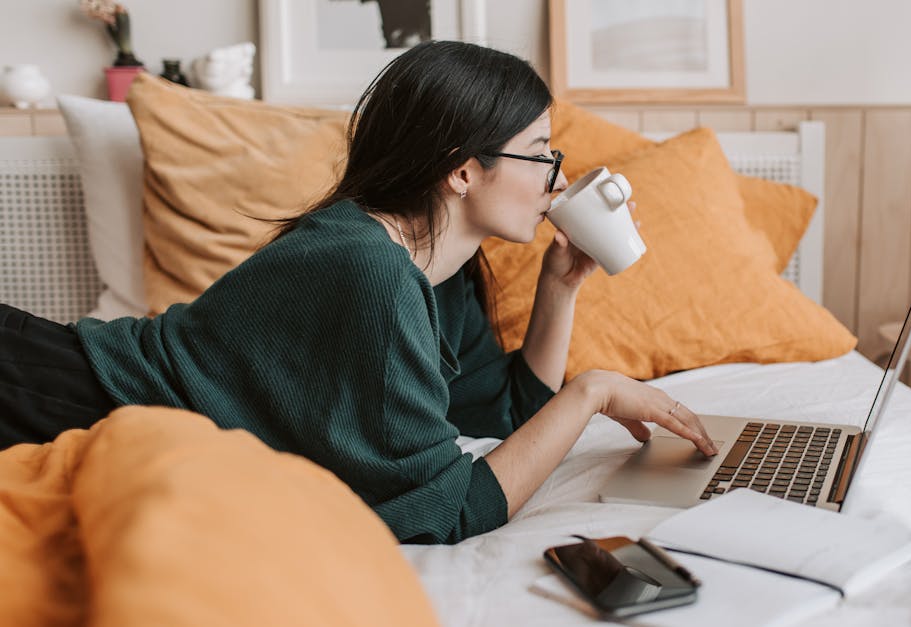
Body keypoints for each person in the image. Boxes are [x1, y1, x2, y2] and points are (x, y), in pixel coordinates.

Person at [0, 41, 716, 544]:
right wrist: (589, 392)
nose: (558, 178)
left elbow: (504, 415)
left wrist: (560, 288)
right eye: (542, 153)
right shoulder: (369, 272)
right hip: (62, 396)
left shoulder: (440, 268)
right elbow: (453, 509)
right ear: (462, 171)